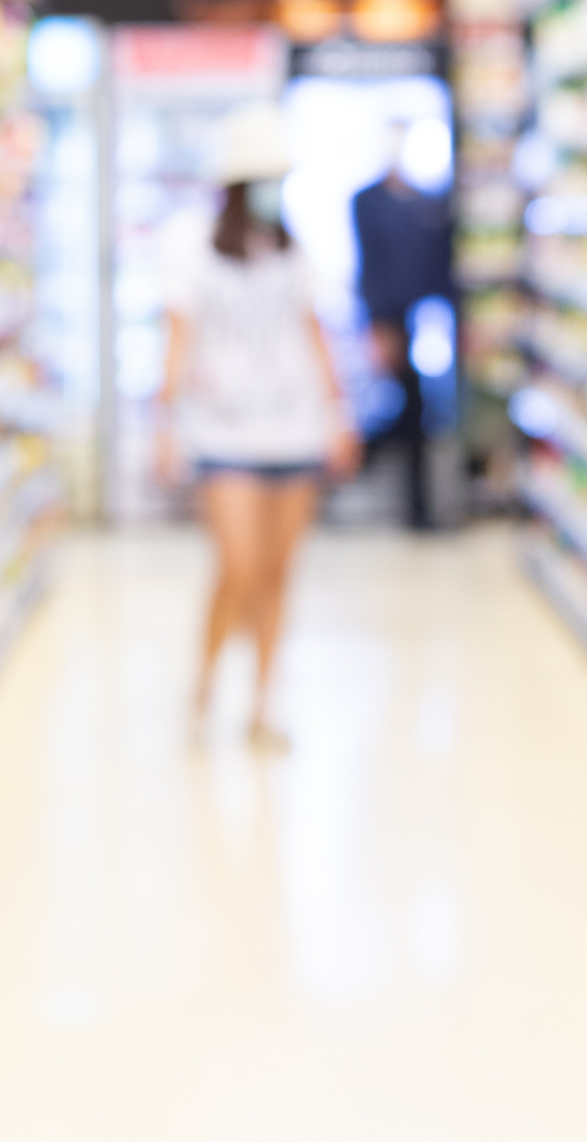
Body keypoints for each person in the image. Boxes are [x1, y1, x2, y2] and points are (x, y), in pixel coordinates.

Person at [156, 101, 358, 747]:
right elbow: (178, 338)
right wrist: (165, 421)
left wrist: (337, 413)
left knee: (277, 572)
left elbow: (315, 332)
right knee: (237, 565)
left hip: (294, 428)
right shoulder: (190, 246)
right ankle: (204, 688)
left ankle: (263, 705)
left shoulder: (294, 249)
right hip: (224, 432)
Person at [350, 122, 454, 529]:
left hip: (424, 323)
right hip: (389, 322)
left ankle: (417, 505)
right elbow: (370, 266)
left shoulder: (429, 202)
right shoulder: (367, 200)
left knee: (417, 413)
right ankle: (363, 469)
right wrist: (377, 326)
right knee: (404, 409)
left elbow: (439, 268)